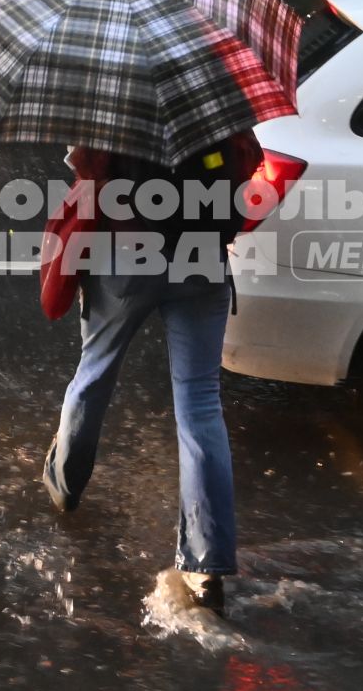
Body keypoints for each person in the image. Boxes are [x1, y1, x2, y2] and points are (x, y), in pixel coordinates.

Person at [41, 129, 262, 615]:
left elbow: (85, 169)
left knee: (95, 372)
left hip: (127, 260)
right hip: (203, 261)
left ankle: (64, 485)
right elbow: (252, 166)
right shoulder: (213, 96)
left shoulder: (116, 98)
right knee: (201, 405)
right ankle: (207, 566)